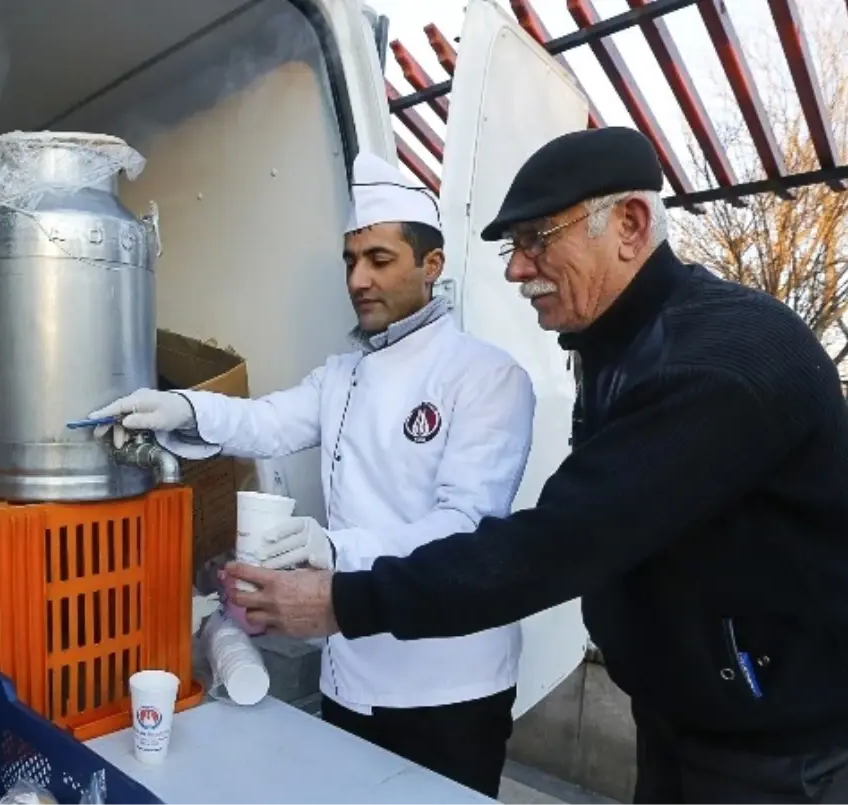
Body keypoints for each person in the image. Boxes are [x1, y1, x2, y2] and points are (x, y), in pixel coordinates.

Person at [225, 128, 848, 805]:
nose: (515, 268)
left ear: (628, 225)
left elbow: (555, 545)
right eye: (512, 246)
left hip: (808, 740)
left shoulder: (718, 361)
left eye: (537, 239)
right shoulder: (613, 345)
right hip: (697, 712)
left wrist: (338, 598)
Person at [88, 152, 537, 798]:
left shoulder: (488, 377)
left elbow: (465, 526)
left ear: (431, 266)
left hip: (449, 684)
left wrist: (334, 549)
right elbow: (265, 421)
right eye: (351, 261)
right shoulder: (344, 374)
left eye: (379, 260)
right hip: (351, 669)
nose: (358, 278)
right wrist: (181, 405)